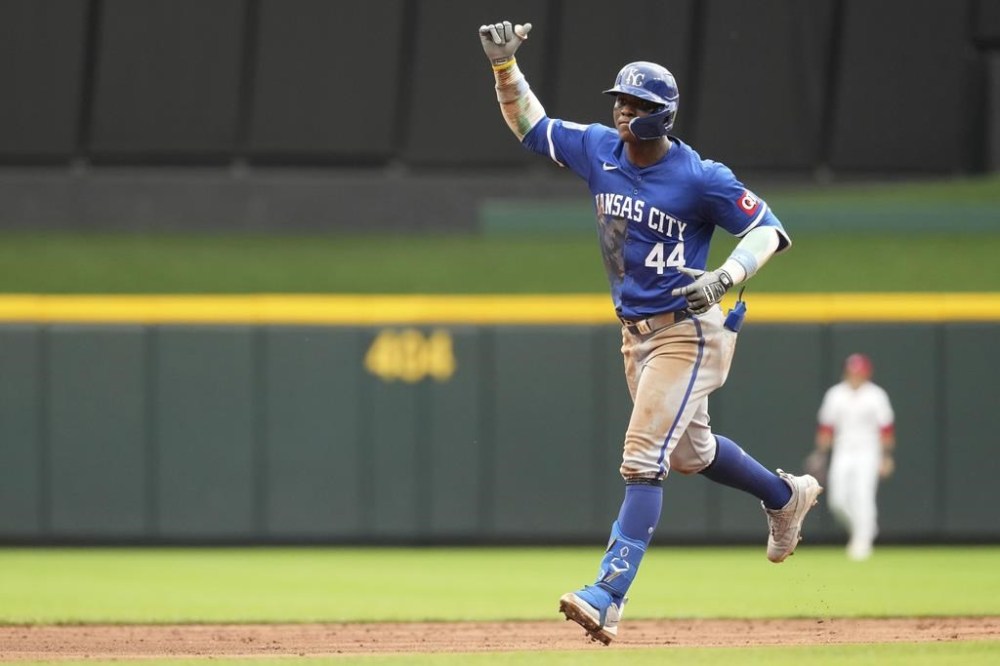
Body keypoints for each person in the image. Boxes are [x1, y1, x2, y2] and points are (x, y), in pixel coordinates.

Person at [477, 20, 824, 645]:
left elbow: (769, 229)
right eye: (620, 101)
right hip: (636, 335)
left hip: (688, 330)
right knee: (692, 453)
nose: (622, 111)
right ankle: (784, 496)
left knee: (643, 457)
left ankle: (609, 594)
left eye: (635, 106)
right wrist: (506, 70)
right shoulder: (599, 148)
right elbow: (532, 126)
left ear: (662, 117)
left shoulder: (698, 176)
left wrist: (725, 277)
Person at [811, 353, 895, 561]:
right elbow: (826, 428)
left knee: (862, 495)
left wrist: (886, 457)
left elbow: (886, 430)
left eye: (859, 372)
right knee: (837, 500)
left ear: (867, 373)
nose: (855, 376)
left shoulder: (876, 395)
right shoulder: (836, 394)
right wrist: (820, 455)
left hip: (868, 451)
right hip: (843, 450)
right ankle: (863, 529)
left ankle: (862, 540)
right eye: (852, 372)